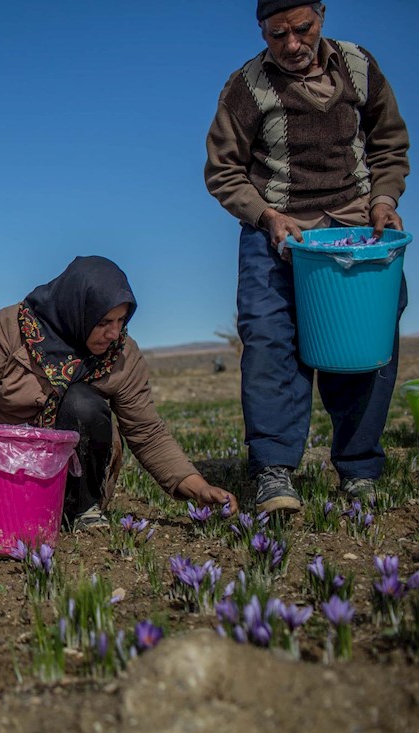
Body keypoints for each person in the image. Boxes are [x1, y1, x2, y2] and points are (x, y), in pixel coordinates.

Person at [205, 0, 409, 514]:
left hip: (354, 230)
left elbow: (388, 142)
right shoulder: (245, 87)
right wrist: (268, 218)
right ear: (261, 32)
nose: (291, 44)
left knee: (365, 342)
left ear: (321, 16)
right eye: (277, 35)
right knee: (270, 341)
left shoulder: (359, 66)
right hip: (276, 233)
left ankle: (359, 468)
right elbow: (223, 171)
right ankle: (274, 472)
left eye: (302, 29)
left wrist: (384, 200)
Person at [0, 256, 238, 529]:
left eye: (121, 320)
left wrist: (197, 487)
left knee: (82, 402)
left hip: (68, 473)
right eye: (103, 322)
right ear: (75, 309)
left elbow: (147, 432)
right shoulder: (11, 328)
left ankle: (82, 509)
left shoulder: (122, 355)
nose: (113, 333)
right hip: (1, 465)